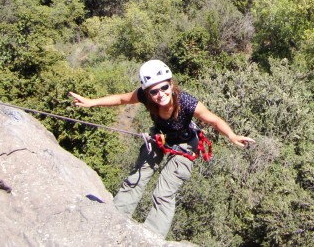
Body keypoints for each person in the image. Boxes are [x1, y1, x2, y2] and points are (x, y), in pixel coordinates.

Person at [68, 60, 254, 238]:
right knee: (138, 174)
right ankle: (117, 213)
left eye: (164, 87)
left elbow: (213, 120)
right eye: (154, 91)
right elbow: (120, 99)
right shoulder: (144, 96)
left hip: (185, 145)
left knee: (164, 192)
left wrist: (231, 135)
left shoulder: (187, 103)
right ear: (148, 93)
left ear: (171, 85)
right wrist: (92, 102)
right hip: (160, 136)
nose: (160, 94)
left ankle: (151, 236)